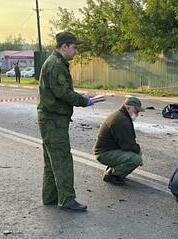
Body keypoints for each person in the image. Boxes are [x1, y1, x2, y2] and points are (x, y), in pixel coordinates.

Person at [37, 31, 105, 212]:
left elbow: (61, 91)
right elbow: (63, 93)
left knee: (51, 161)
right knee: (62, 160)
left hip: (50, 118)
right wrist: (85, 100)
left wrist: (83, 98)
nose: (76, 51)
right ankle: (67, 200)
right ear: (64, 46)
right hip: (54, 120)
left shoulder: (54, 62)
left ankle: (50, 197)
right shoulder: (56, 64)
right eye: (74, 47)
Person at [94, 96, 144, 186]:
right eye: (136, 111)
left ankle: (112, 170)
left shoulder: (121, 116)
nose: (137, 114)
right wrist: (139, 152)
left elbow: (127, 142)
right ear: (128, 108)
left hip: (107, 150)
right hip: (104, 153)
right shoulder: (121, 120)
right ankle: (113, 175)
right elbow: (128, 145)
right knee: (136, 159)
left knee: (135, 153)